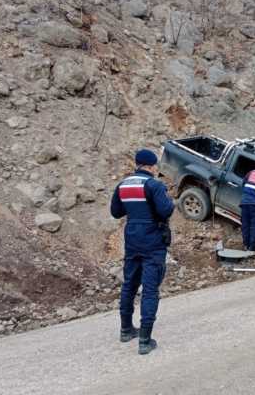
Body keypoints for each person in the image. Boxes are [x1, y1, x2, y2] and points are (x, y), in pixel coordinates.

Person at [110, 149, 175, 355]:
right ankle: (145, 340)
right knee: (149, 289)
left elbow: (116, 212)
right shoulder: (154, 185)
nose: (156, 169)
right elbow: (166, 211)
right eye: (155, 166)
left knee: (129, 284)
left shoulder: (123, 185)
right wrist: (169, 199)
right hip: (152, 240)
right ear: (150, 166)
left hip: (132, 239)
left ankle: (126, 329)